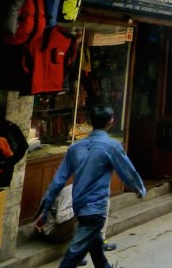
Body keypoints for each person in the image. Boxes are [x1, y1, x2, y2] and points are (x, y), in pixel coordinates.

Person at [35, 106, 146, 268]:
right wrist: (139, 188)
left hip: (79, 206)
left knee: (95, 244)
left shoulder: (75, 148)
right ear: (111, 121)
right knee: (73, 254)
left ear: (90, 122)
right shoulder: (112, 146)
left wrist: (45, 211)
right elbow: (127, 171)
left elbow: (58, 182)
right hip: (95, 208)